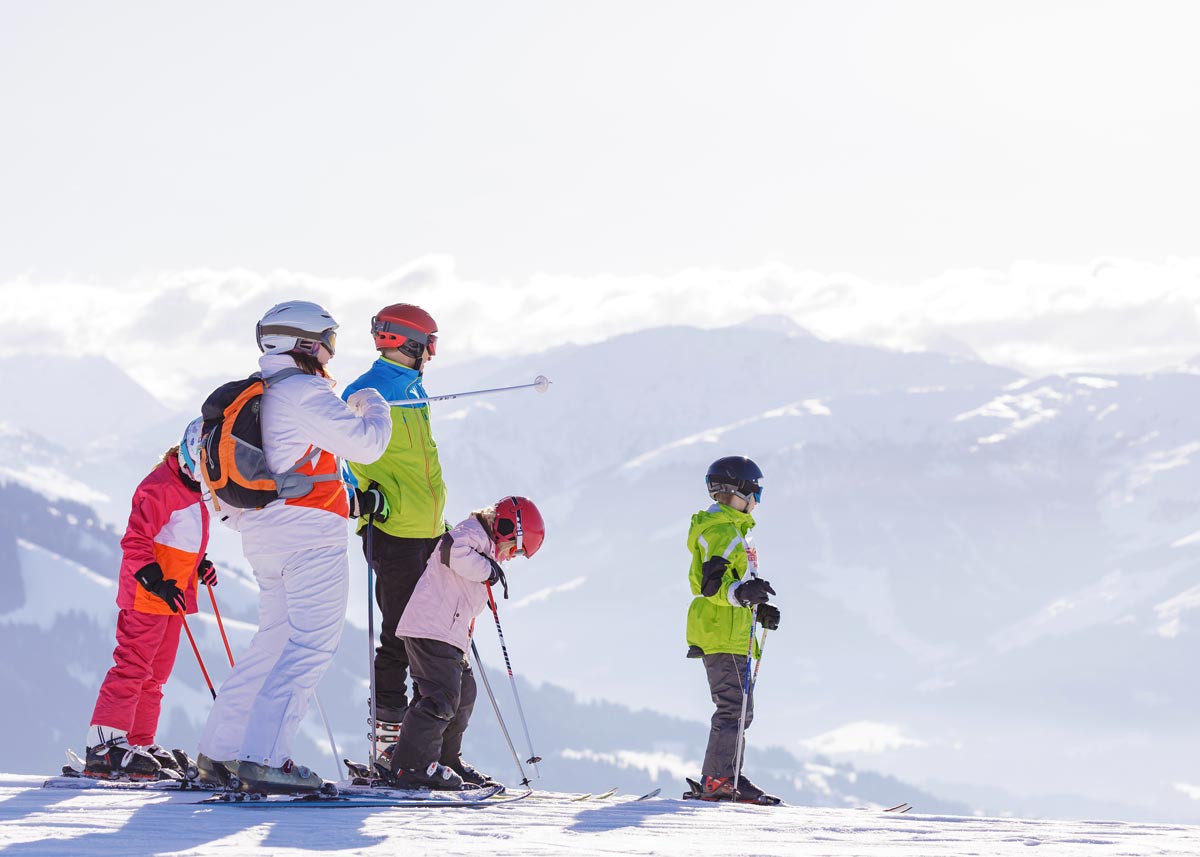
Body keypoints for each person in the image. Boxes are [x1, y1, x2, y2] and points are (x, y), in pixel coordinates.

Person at [196, 300, 391, 793]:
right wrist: (373, 403)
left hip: (265, 534)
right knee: (310, 646)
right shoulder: (304, 391)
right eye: (329, 339)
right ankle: (265, 758)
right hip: (310, 538)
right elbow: (367, 444)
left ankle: (220, 753)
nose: (331, 350)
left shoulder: (263, 394)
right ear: (306, 343)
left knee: (273, 643)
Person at [341, 303, 447, 750]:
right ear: (411, 342)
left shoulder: (413, 390)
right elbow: (334, 453)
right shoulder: (365, 392)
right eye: (431, 345)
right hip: (393, 532)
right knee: (399, 636)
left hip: (429, 529)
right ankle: (389, 743)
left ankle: (428, 745)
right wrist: (358, 496)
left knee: (439, 635)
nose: (432, 354)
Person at [84, 417, 214, 779]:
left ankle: (139, 742)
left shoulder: (192, 489)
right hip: (148, 595)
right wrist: (155, 581)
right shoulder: (159, 487)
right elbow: (136, 541)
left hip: (171, 596)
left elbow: (178, 540)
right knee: (133, 666)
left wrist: (200, 566)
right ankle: (105, 744)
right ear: (191, 453)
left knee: (156, 675)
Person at [386, 496, 545, 790]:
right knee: (440, 698)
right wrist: (487, 569)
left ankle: (445, 760)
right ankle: (409, 766)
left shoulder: (483, 545)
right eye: (516, 549)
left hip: (447, 634)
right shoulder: (471, 533)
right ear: (508, 529)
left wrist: (489, 566)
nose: (511, 557)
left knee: (464, 692)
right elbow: (449, 550)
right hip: (431, 629)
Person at [685, 456, 781, 803]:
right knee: (733, 707)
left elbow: (732, 585)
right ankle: (719, 779)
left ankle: (727, 775)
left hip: (731, 630)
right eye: (757, 492)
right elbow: (712, 585)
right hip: (721, 633)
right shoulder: (722, 531)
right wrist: (741, 594)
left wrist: (757, 607)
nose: (757, 502)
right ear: (739, 491)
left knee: (740, 708)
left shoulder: (732, 529)